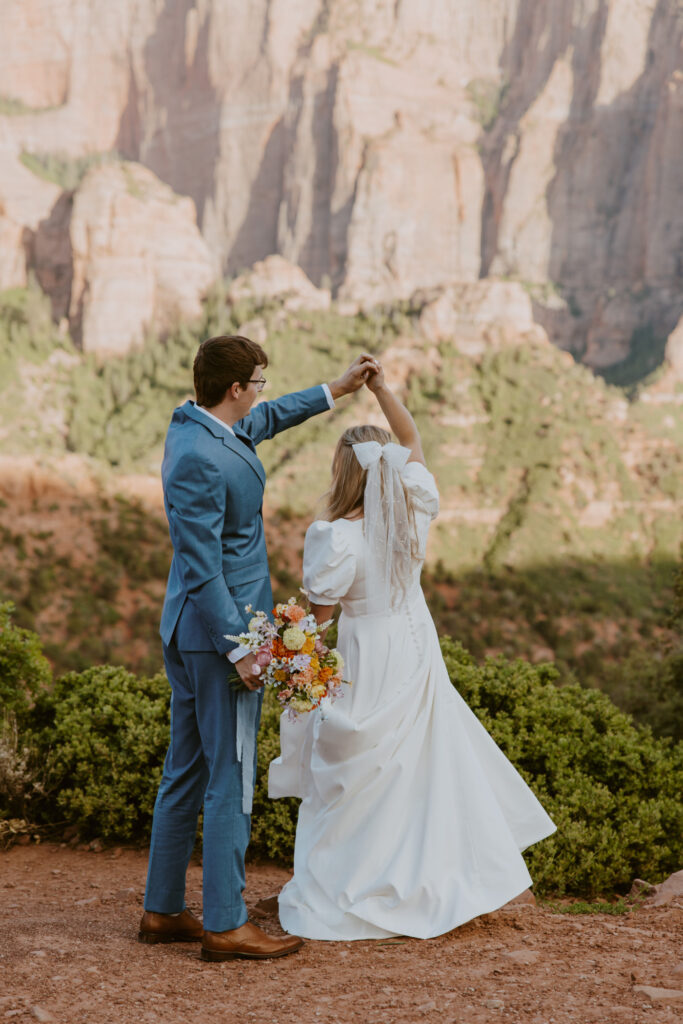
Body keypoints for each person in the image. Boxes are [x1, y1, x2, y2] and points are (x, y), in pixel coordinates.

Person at [269, 362, 556, 940]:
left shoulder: (336, 538)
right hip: (414, 645)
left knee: (356, 766)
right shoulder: (415, 512)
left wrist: (289, 659)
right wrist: (379, 390)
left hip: (365, 653)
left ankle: (353, 879)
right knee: (414, 766)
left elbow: (319, 620)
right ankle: (423, 874)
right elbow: (412, 439)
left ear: (342, 475)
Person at [138, 334, 380, 961]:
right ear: (235, 388)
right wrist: (240, 650)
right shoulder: (197, 455)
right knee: (231, 773)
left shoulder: (208, 425)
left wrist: (338, 389)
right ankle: (225, 922)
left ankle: (163, 910)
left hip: (191, 632)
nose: (263, 395)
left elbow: (268, 419)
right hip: (215, 637)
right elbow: (200, 563)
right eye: (259, 384)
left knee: (185, 769)